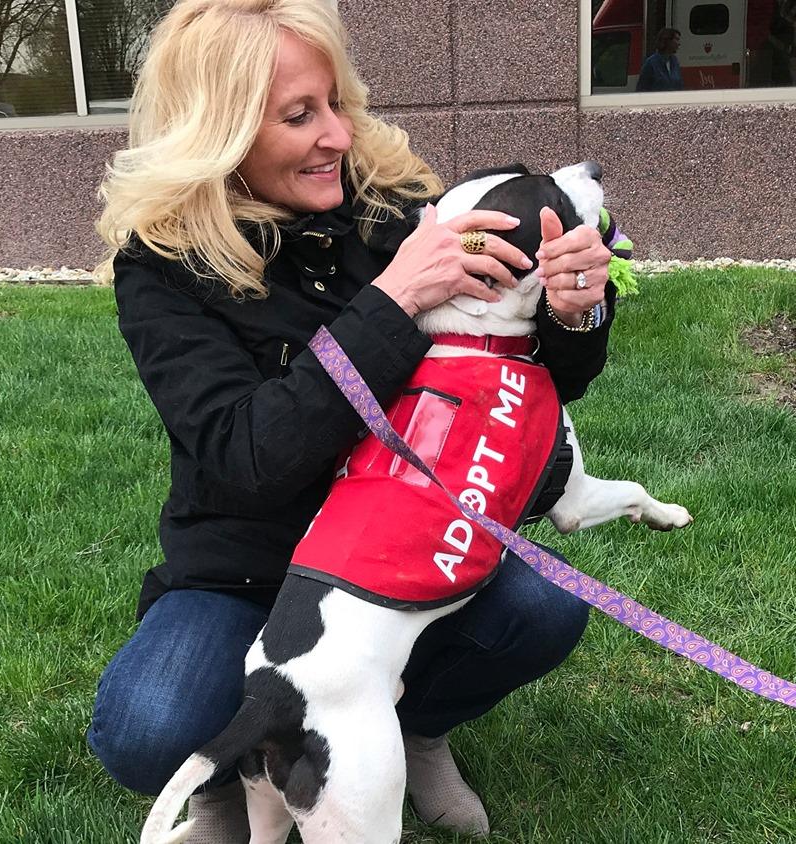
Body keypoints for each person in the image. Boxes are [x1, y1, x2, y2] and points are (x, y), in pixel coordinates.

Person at [89, 1, 616, 840]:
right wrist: (393, 300)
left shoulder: (396, 209)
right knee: (146, 726)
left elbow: (535, 372)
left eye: (335, 102)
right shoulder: (162, 270)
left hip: (401, 546)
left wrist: (573, 306)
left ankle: (415, 726)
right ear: (220, 134)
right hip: (249, 568)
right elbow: (246, 456)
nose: (338, 134)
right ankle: (236, 777)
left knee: (546, 608)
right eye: (300, 116)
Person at [636, 27, 683, 92]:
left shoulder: (675, 62)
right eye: (676, 39)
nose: (679, 43)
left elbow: (680, 85)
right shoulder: (651, 63)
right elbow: (641, 89)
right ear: (667, 41)